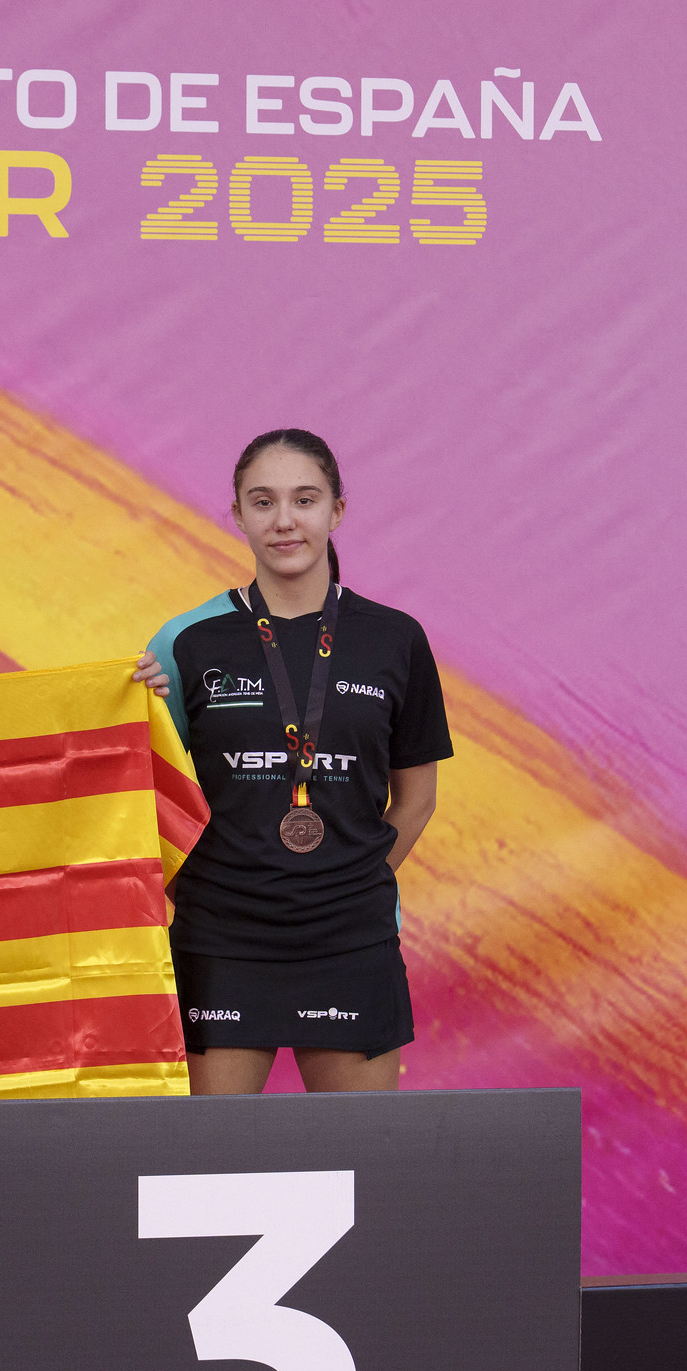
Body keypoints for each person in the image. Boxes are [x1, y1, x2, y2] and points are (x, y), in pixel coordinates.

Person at [139, 429, 450, 1095]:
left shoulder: (395, 640)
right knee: (212, 1153)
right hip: (221, 938)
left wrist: (359, 880)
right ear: (238, 515)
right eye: (263, 502)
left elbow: (417, 797)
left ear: (337, 510)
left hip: (350, 936)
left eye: (304, 500)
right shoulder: (184, 642)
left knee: (357, 1152)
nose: (284, 520)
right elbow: (140, 789)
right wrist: (198, 888)